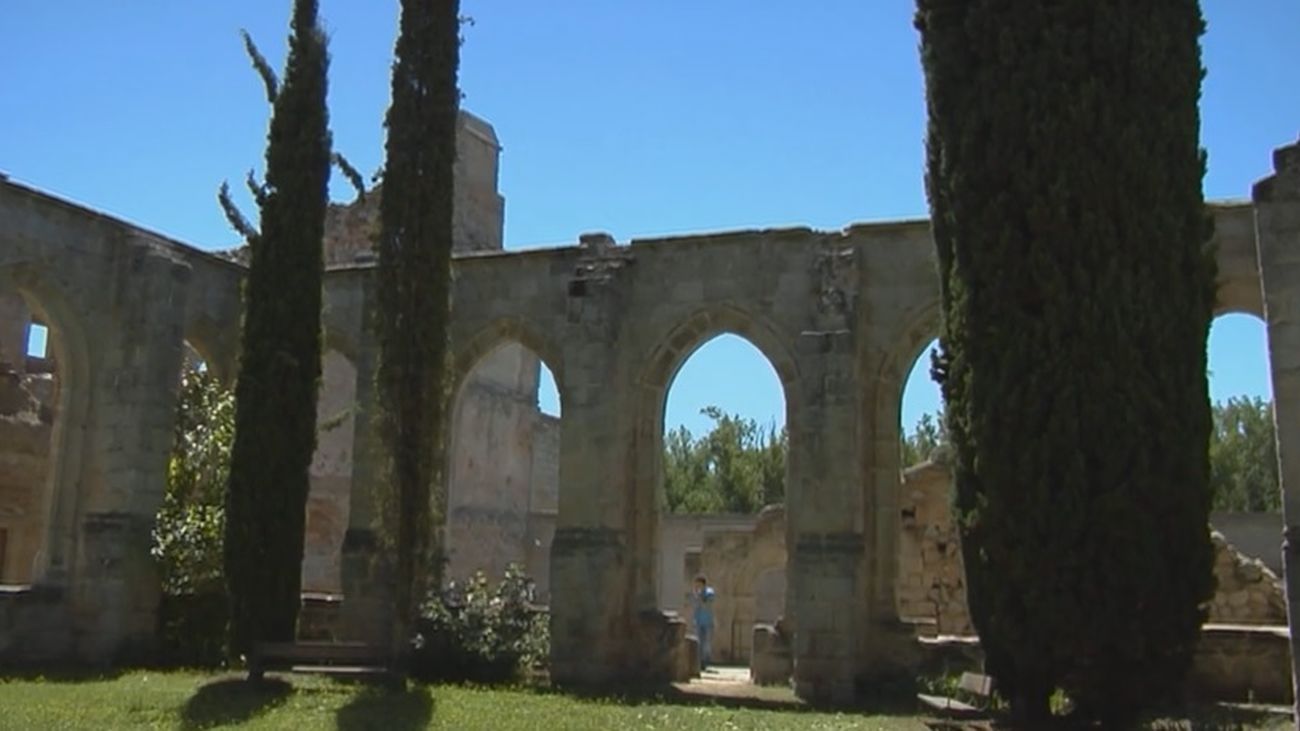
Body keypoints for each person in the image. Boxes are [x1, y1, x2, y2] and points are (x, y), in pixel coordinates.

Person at [690, 574, 715, 671]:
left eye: (699, 584)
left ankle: (705, 661)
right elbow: (695, 605)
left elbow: (706, 604)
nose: (697, 586)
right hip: (698, 621)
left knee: (706, 644)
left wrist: (699, 597)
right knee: (698, 642)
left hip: (708, 621)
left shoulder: (709, 592)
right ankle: (699, 662)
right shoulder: (696, 594)